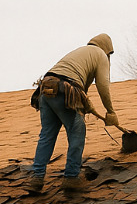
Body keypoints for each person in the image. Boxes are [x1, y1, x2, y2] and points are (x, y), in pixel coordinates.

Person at [27, 33, 120, 194]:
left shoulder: (81, 53)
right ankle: (71, 177)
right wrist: (110, 111)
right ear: (108, 50)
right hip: (65, 89)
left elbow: (80, 84)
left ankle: (37, 178)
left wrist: (84, 105)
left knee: (47, 135)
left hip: (46, 89)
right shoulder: (100, 55)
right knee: (77, 132)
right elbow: (103, 85)